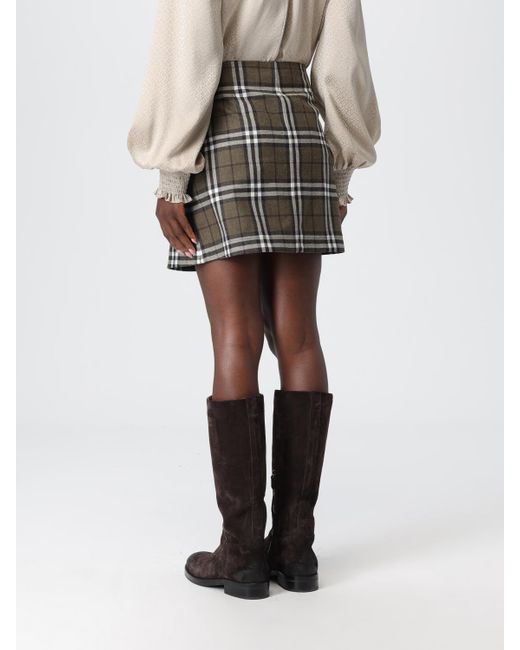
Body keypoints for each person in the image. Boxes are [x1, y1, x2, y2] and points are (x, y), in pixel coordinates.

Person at [128, 0, 380, 600]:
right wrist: (341, 174)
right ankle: (295, 549)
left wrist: (172, 176)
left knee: (235, 336)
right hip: (300, 130)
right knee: (301, 336)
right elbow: (341, 64)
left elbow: (192, 55)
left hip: (225, 129)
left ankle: (241, 552)